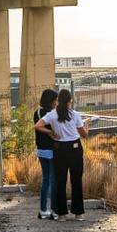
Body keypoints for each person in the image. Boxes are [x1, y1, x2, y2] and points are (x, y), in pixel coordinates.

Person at [35, 88, 88, 219]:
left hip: (59, 149)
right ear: (70, 101)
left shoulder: (52, 114)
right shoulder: (75, 115)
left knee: (60, 181)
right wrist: (87, 125)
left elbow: (38, 126)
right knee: (76, 181)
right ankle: (78, 213)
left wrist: (50, 132)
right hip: (74, 148)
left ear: (58, 101)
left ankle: (61, 213)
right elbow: (84, 134)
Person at [33, 88, 59, 220]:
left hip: (41, 150)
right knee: (54, 181)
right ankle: (54, 210)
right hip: (52, 150)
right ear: (51, 101)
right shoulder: (52, 114)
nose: (57, 102)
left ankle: (43, 210)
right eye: (55, 100)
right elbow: (55, 131)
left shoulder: (36, 113)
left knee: (45, 180)